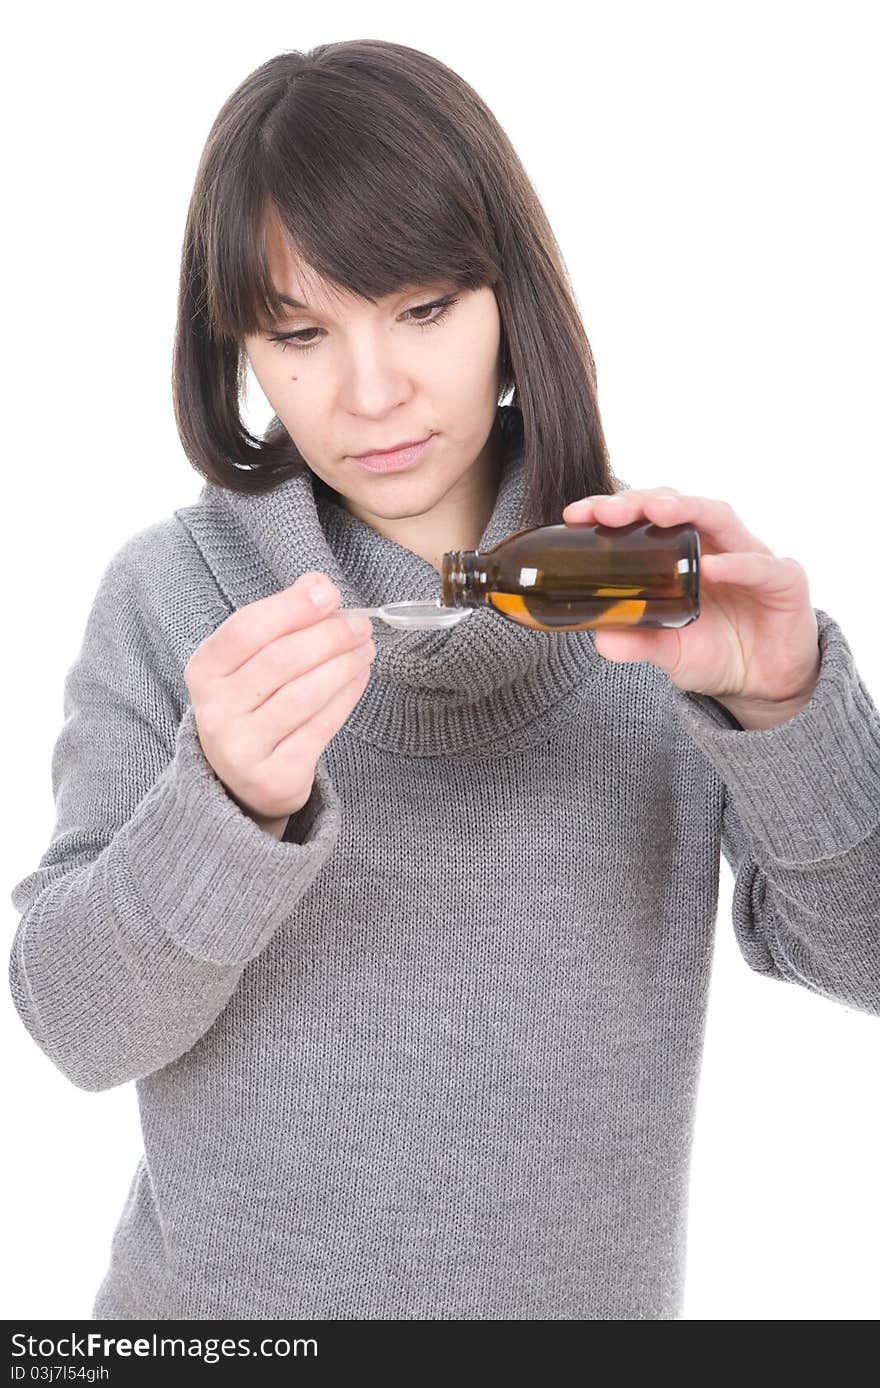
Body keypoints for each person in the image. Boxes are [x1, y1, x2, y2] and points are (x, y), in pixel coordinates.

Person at [9, 40, 880, 1322]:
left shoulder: (655, 597)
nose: (372, 391)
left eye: (422, 309)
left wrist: (788, 707)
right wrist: (225, 802)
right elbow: (75, 1026)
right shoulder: (172, 599)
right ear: (238, 350)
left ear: (509, 303)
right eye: (301, 333)